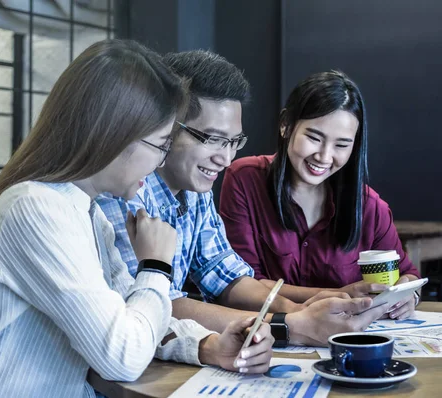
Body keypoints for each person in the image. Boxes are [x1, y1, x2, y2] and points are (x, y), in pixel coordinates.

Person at [0, 40, 272, 398]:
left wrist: (207, 345)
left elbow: (133, 317)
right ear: (114, 135)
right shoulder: (36, 209)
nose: (160, 162)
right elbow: (122, 356)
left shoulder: (85, 213)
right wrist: (155, 266)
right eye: (161, 144)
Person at [97, 51, 387, 348]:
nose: (225, 159)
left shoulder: (196, 191)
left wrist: (300, 309)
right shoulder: (125, 189)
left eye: (234, 141)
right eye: (212, 139)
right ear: (165, 125)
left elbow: (226, 275)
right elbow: (152, 306)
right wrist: (292, 324)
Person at [219, 70, 421, 320]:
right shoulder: (245, 179)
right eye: (314, 138)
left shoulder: (369, 206)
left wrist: (409, 296)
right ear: (286, 125)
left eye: (341, 145)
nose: (325, 157)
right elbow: (242, 283)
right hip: (272, 334)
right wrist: (338, 294)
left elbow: (408, 274)